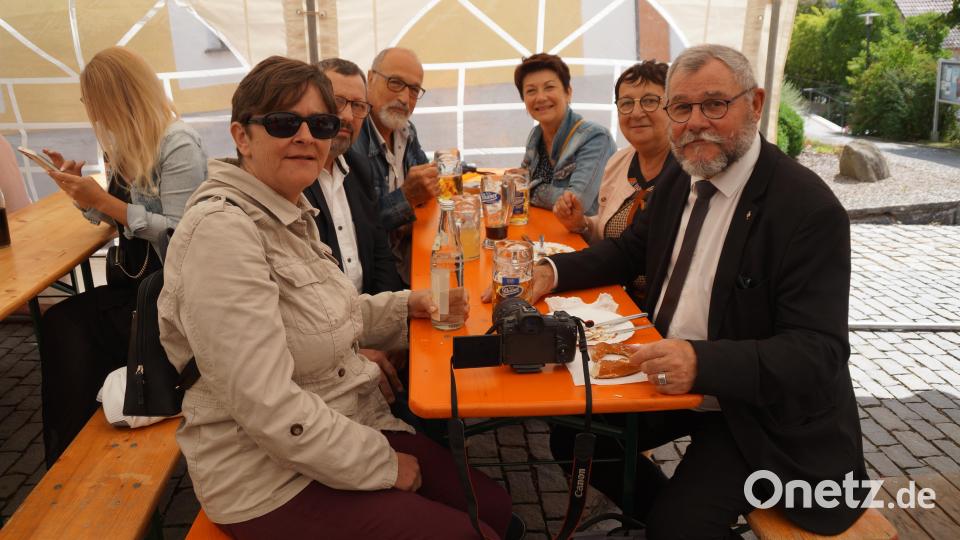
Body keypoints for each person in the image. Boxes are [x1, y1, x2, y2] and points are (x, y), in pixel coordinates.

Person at [158, 56, 512, 539]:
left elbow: (324, 315)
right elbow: (268, 407)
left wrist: (409, 304)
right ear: (242, 136)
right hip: (265, 475)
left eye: (320, 123)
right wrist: (383, 464)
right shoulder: (222, 233)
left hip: (344, 415)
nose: (306, 136)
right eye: (284, 122)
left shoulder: (286, 210)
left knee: (495, 506)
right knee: (479, 532)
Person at [529, 45, 868, 538]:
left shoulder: (807, 210)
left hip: (754, 411)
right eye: (682, 108)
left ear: (754, 103)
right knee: (577, 440)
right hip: (675, 386)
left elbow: (820, 352)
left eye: (714, 104)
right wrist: (552, 273)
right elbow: (627, 252)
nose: (694, 123)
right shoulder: (681, 177)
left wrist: (701, 362)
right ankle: (673, 515)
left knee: (678, 527)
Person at [39, 46, 206, 466]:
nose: (90, 112)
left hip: (170, 293)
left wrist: (107, 203)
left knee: (68, 327)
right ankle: (72, 445)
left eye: (91, 101)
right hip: (136, 285)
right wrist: (80, 192)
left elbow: (182, 233)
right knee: (63, 323)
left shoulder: (177, 143)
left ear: (116, 98)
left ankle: (71, 453)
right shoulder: (126, 146)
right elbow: (114, 218)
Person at [311, 57, 406, 406]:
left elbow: (380, 253)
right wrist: (355, 353)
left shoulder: (359, 168)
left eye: (358, 106)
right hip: (328, 361)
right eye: (337, 103)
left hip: (370, 327)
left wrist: (388, 337)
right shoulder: (292, 183)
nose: (348, 117)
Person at [553, 60, 678, 305]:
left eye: (650, 101)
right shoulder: (620, 161)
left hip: (660, 309)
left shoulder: (687, 171)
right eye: (626, 103)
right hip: (613, 296)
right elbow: (612, 238)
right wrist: (582, 224)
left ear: (674, 106)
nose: (636, 112)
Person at [353, 47, 437, 286]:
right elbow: (359, 231)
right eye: (395, 83)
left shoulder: (406, 131)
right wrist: (406, 197)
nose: (404, 98)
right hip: (379, 278)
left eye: (413, 89)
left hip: (413, 253)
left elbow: (426, 190)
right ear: (370, 78)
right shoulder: (353, 142)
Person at [515, 53, 616, 215]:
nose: (540, 97)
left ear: (568, 93)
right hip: (546, 230)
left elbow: (577, 204)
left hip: (582, 238)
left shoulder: (595, 137)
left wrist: (531, 190)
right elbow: (519, 179)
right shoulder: (535, 135)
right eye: (531, 91)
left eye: (549, 87)